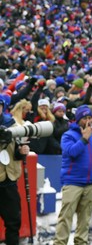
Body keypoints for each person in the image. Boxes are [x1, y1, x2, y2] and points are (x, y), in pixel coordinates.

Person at [54, 106, 92, 245]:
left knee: (85, 219)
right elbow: (71, 152)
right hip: (72, 182)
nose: (87, 121)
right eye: (84, 118)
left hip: (89, 183)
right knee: (66, 217)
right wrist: (84, 139)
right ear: (78, 120)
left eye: (89, 118)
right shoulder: (68, 135)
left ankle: (81, 242)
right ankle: (60, 243)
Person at [0, 94, 29, 245]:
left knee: (13, 222)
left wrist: (21, 151)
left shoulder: (13, 125)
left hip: (9, 180)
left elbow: (17, 153)